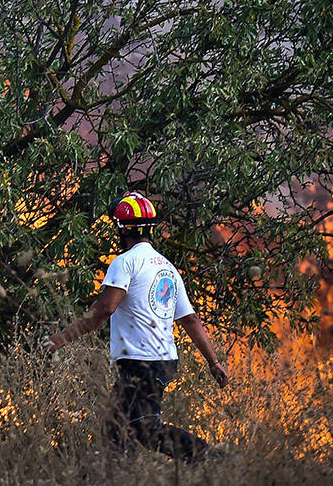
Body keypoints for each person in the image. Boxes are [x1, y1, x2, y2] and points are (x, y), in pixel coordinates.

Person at [45, 192, 229, 464]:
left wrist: (64, 336)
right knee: (117, 430)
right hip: (163, 360)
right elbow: (189, 319)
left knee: (145, 429)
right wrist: (213, 362)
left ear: (121, 229)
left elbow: (106, 307)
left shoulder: (125, 262)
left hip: (140, 362)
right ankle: (123, 476)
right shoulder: (168, 267)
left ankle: (209, 457)